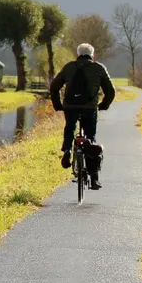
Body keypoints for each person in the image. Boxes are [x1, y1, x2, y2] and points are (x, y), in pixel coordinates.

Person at [50, 42, 115, 189]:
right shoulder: (99, 68)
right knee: (90, 138)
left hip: (70, 107)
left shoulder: (69, 67)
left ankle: (67, 149)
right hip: (89, 108)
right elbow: (110, 91)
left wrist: (57, 104)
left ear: (77, 55)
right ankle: (94, 178)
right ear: (93, 55)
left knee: (70, 127)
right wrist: (104, 104)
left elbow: (54, 87)